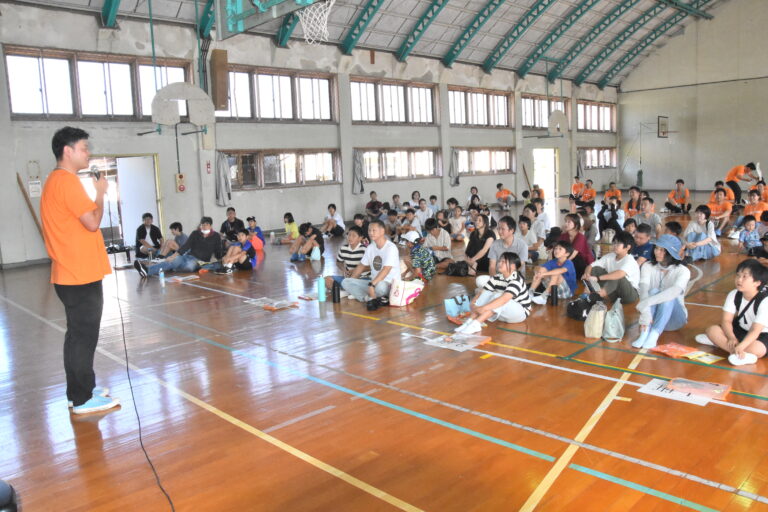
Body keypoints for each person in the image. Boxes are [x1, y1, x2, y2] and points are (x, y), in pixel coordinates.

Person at [40, 126, 119, 414]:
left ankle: (78, 391)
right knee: (83, 337)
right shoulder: (68, 182)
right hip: (79, 274)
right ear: (68, 151)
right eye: (84, 148)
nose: (88, 153)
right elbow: (92, 221)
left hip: (71, 273)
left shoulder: (55, 181)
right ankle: (83, 399)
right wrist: (100, 194)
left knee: (76, 336)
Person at [696, 259, 768, 365]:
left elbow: (755, 330)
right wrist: (731, 338)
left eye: (744, 277)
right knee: (712, 330)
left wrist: (741, 345)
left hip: (762, 333)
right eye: (738, 275)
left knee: (757, 349)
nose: (739, 280)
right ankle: (740, 354)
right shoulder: (734, 294)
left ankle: (724, 345)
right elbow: (726, 320)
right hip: (741, 328)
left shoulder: (765, 300)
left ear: (757, 282)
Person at [631, 235, 691, 349]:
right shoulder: (647, 266)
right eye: (656, 248)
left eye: (662, 250)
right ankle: (645, 333)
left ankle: (654, 335)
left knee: (667, 295)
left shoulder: (683, 271)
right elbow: (643, 289)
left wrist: (646, 303)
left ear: (671, 253)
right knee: (653, 291)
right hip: (651, 317)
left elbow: (674, 292)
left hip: (674, 320)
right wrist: (646, 312)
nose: (657, 252)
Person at [454, 252, 531, 334]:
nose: (499, 263)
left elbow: (504, 299)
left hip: (519, 314)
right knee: (487, 293)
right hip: (501, 314)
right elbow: (482, 292)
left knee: (499, 297)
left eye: (503, 262)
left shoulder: (516, 280)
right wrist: (473, 303)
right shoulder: (496, 277)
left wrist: (483, 308)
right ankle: (469, 322)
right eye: (499, 261)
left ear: (513, 266)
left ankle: (476, 324)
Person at [135, 217, 224, 277]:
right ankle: (146, 271)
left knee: (188, 267)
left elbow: (218, 251)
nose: (204, 227)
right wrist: (173, 256)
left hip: (199, 261)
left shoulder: (216, 236)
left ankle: (173, 267)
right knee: (174, 260)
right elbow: (186, 246)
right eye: (202, 225)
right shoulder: (195, 233)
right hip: (187, 256)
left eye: (206, 224)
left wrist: (222, 260)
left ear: (210, 226)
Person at [342, 220, 400, 310]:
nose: (371, 233)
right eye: (369, 230)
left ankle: (373, 296)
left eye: (374, 230)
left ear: (382, 231)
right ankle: (368, 299)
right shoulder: (370, 247)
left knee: (380, 286)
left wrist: (372, 284)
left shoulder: (391, 248)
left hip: (389, 284)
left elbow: (386, 269)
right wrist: (352, 281)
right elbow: (361, 266)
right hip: (372, 284)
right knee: (345, 282)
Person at [583, 231, 640, 306]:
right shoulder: (610, 256)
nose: (615, 245)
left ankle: (599, 295)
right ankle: (591, 291)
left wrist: (598, 278)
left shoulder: (630, 260)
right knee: (595, 269)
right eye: (614, 242)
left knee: (618, 277)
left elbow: (619, 274)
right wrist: (586, 275)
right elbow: (591, 266)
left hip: (629, 295)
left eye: (618, 243)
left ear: (628, 247)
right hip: (613, 292)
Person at [477, 216, 528, 290]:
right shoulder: (495, 244)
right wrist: (494, 280)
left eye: (503, 229)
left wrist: (505, 279)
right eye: (498, 228)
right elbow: (492, 266)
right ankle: (497, 291)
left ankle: (498, 292)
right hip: (498, 277)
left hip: (515, 279)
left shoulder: (522, 245)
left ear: (511, 230)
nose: (499, 231)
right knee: (479, 280)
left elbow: (518, 266)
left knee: (483, 291)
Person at [530, 240, 577, 305]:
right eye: (555, 248)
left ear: (567, 254)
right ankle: (530, 293)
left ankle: (544, 297)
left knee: (556, 274)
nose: (556, 251)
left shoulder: (569, 263)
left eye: (560, 249)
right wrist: (538, 272)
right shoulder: (553, 261)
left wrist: (543, 274)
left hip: (567, 293)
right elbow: (539, 268)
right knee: (542, 269)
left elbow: (561, 270)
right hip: (553, 291)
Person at [324, 225, 367, 292]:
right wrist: (344, 270)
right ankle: (343, 291)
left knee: (365, 284)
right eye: (349, 235)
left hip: (362, 278)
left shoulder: (364, 249)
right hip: (348, 279)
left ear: (360, 238)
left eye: (353, 236)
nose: (350, 238)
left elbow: (369, 267)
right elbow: (338, 262)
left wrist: (355, 271)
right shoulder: (343, 248)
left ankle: (346, 290)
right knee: (326, 279)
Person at [559, 213, 594, 279]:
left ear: (576, 224)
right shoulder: (563, 236)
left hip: (583, 263)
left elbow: (573, 255)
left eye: (569, 222)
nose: (566, 224)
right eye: (565, 221)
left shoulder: (580, 237)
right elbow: (557, 249)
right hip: (569, 260)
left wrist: (560, 266)